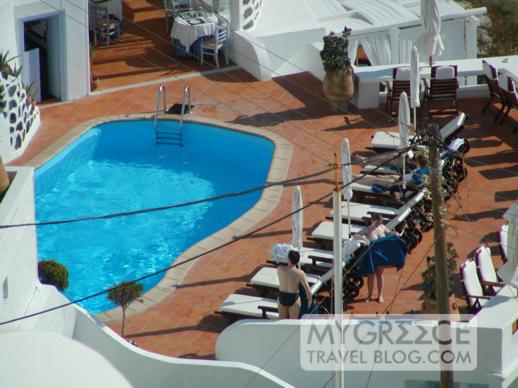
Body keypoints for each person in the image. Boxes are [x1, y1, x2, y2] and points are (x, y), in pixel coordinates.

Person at [354, 214, 397, 303]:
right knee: (371, 276)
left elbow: (388, 232)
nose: (379, 223)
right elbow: (355, 235)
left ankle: (380, 296)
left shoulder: (382, 227)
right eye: (378, 222)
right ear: (373, 220)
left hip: (381, 254)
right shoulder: (368, 229)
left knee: (380, 275)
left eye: (380, 222)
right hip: (372, 255)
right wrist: (364, 239)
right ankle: (369, 296)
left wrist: (395, 234)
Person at [277, 250, 312, 319]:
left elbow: (279, 261)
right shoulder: (300, 273)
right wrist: (310, 301)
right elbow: (307, 289)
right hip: (293, 297)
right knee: (293, 322)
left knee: (281, 321)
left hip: (282, 296)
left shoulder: (280, 269)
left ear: (288, 259)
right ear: (298, 261)